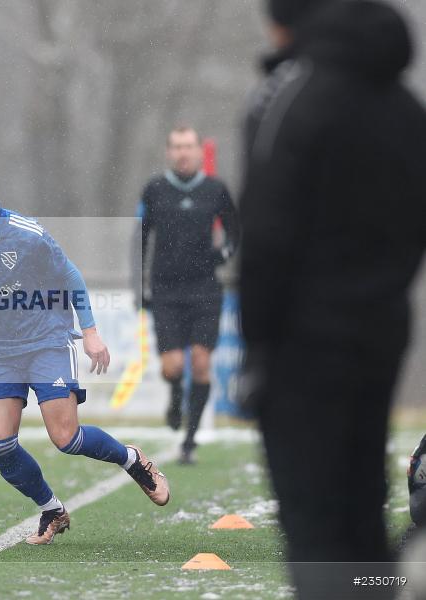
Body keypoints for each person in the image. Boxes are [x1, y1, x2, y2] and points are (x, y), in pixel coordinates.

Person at [239, 0, 426, 596]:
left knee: (315, 526)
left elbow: (265, 232)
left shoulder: (289, 95)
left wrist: (258, 344)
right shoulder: (404, 104)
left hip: (303, 342)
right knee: (361, 510)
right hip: (381, 328)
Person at [0, 164, 170, 545]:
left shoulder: (27, 235)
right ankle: (52, 509)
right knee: (0, 444)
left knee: (65, 438)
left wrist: (90, 332)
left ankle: (132, 460)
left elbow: (71, 277)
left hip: (45, 341)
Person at [137, 126, 238, 464]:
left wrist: (222, 256)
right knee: (173, 366)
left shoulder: (215, 189)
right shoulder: (154, 190)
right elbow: (139, 238)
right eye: (177, 146)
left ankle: (190, 441)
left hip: (205, 289)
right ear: (169, 151)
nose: (183, 152)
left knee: (200, 361)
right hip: (165, 290)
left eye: (189, 146)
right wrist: (139, 284)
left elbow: (234, 232)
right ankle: (176, 393)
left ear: (198, 151)